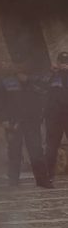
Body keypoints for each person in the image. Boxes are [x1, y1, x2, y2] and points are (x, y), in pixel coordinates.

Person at [0, 66, 51, 188]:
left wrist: (40, 115)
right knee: (14, 151)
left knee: (36, 151)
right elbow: (1, 102)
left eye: (25, 73)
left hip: (31, 122)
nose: (23, 76)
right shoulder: (7, 83)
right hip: (13, 122)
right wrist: (4, 119)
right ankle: (13, 180)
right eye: (20, 73)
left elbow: (43, 99)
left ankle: (42, 180)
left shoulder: (34, 84)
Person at [44, 51, 68, 184]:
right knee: (51, 146)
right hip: (53, 116)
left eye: (66, 62)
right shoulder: (52, 75)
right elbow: (41, 86)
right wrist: (52, 72)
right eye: (61, 61)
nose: (63, 64)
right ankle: (49, 174)